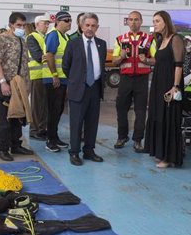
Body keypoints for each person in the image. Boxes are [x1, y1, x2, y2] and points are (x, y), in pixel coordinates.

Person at [140, 10, 184, 168]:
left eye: (157, 21)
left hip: (169, 84)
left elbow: (178, 65)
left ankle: (168, 157)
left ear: (166, 22)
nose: (154, 24)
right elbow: (160, 62)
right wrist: (146, 61)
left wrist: (175, 87)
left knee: (168, 119)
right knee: (158, 116)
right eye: (153, 21)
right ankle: (159, 153)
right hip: (158, 83)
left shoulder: (175, 39)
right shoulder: (160, 40)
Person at [62, 13, 107, 166]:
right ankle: (74, 152)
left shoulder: (102, 44)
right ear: (81, 26)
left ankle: (89, 151)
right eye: (87, 25)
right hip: (78, 89)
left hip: (95, 88)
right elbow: (65, 66)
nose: (90, 28)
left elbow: (101, 66)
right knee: (76, 123)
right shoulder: (73, 44)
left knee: (92, 122)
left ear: (97, 27)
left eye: (93, 26)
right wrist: (76, 81)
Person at [0, 12, 33, 162]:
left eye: (23, 25)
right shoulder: (1, 39)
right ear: (10, 25)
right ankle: (3, 149)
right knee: (5, 119)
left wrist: (26, 86)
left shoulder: (22, 40)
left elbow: (25, 65)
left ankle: (16, 145)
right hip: (6, 85)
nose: (21, 28)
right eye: (18, 25)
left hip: (20, 86)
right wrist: (3, 82)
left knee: (18, 117)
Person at [112, 11, 154, 152]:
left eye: (136, 19)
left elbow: (156, 59)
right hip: (125, 79)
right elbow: (114, 61)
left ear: (141, 21)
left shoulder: (149, 39)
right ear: (127, 22)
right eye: (131, 19)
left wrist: (147, 60)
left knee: (140, 111)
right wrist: (121, 57)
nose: (133, 22)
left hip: (142, 80)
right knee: (121, 109)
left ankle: (138, 140)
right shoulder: (120, 39)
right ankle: (122, 137)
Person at [44, 11, 72, 153]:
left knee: (59, 110)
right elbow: (49, 56)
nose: (69, 23)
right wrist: (54, 75)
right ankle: (50, 140)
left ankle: (55, 137)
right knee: (53, 110)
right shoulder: (53, 35)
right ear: (58, 22)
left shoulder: (66, 37)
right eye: (66, 20)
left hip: (63, 79)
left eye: (70, 20)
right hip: (54, 79)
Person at [26, 15, 51, 141]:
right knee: (37, 105)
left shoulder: (45, 37)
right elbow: (38, 56)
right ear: (37, 25)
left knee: (44, 105)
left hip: (46, 75)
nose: (47, 26)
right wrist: (50, 57)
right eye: (45, 23)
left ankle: (42, 129)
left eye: (48, 24)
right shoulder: (32, 37)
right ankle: (34, 130)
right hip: (37, 76)